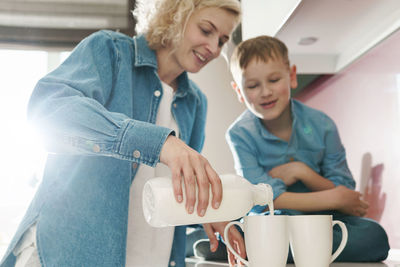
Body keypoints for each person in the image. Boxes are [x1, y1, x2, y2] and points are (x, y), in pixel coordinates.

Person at [0, 1, 246, 266]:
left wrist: (208, 210)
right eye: (206, 30)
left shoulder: (195, 103)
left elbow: (166, 191)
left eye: (222, 41)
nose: (213, 48)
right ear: (176, 15)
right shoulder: (110, 51)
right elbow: (49, 110)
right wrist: (159, 144)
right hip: (65, 255)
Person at [224, 35, 390, 262]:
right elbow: (262, 201)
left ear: (291, 76)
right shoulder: (239, 134)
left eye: (273, 80)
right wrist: (334, 198)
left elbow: (345, 190)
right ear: (239, 91)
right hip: (275, 220)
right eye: (253, 85)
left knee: (374, 235)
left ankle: (277, 252)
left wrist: (303, 172)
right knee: (255, 228)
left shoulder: (322, 124)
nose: (265, 92)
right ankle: (304, 250)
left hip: (324, 220)